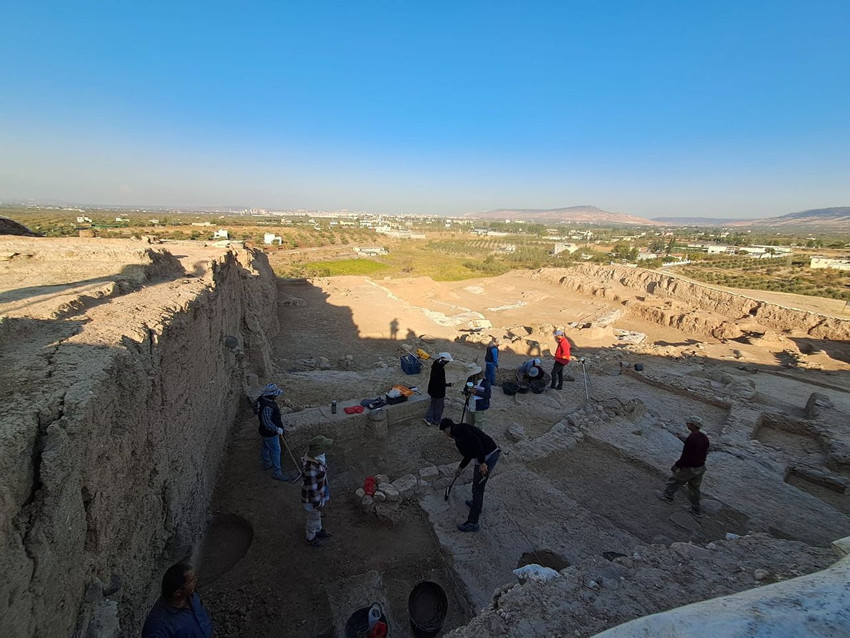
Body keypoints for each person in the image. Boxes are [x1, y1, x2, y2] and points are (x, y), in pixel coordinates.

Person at [439, 418, 501, 533]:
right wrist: (460, 468)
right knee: (477, 486)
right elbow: (469, 454)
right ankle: (476, 505)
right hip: (486, 453)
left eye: (444, 431)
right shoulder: (460, 430)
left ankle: (472, 523)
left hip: (488, 456)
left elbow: (477, 443)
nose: (445, 434)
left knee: (477, 488)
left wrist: (482, 463)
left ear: (448, 429)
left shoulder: (459, 433)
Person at [656, 416, 710, 516]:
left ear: (693, 425)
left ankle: (667, 497)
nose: (687, 424)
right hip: (700, 467)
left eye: (689, 423)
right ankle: (696, 510)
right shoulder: (704, 437)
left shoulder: (692, 438)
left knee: (675, 481)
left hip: (689, 467)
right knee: (694, 489)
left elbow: (686, 455)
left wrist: (677, 465)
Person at [142, 561, 212, 638]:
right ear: (178, 593)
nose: (196, 580)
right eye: (192, 580)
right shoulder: (159, 627)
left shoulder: (192, 595)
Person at [302, 435, 334, 547]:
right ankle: (310, 537)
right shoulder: (311, 469)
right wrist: (317, 504)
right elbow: (312, 489)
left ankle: (318, 530)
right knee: (313, 517)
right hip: (313, 499)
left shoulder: (317, 458)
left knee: (317, 515)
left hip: (320, 490)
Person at [254, 383, 287, 481]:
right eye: (275, 394)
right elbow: (266, 422)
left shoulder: (262, 400)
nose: (277, 396)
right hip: (270, 433)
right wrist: (276, 429)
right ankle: (277, 472)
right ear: (271, 395)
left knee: (265, 447)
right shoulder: (267, 406)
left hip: (264, 432)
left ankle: (267, 463)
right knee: (276, 451)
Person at [424, 352, 453, 426]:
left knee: (433, 404)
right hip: (438, 392)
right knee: (439, 407)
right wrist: (448, 385)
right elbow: (440, 383)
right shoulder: (440, 370)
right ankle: (436, 421)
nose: (447, 363)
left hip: (432, 389)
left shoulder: (435, 365)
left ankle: (428, 418)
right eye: (447, 362)